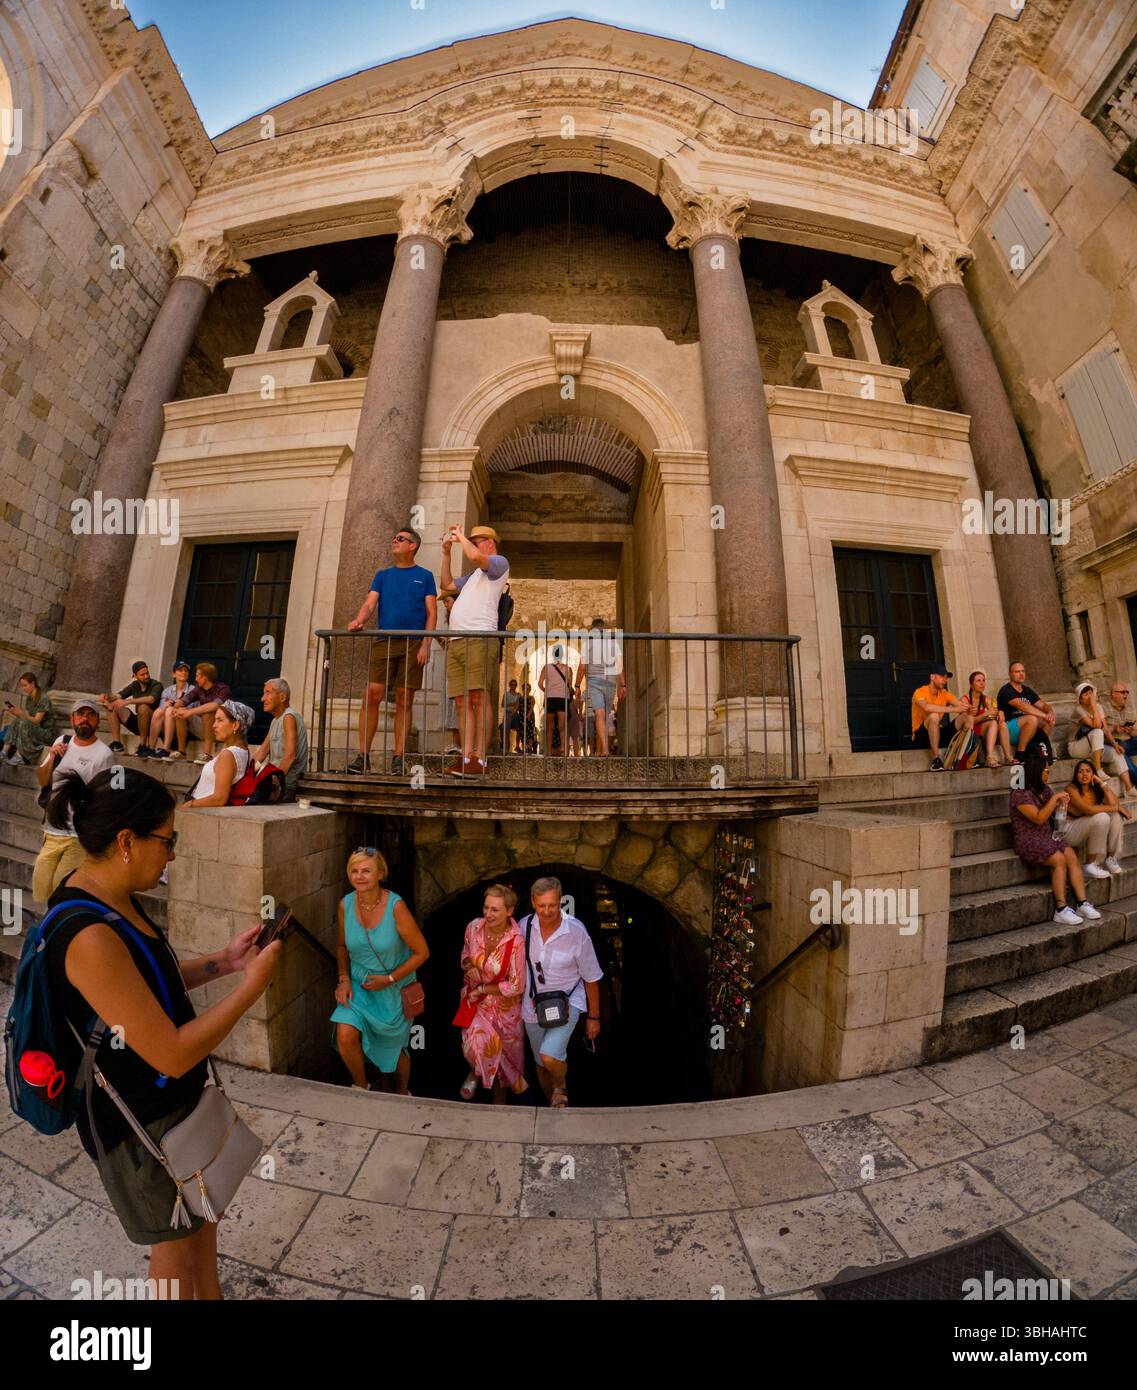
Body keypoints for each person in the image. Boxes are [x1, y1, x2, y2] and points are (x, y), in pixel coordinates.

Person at [43, 766, 279, 1296]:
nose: (172, 854)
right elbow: (170, 1053)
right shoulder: (87, 934)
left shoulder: (112, 894)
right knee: (173, 1256)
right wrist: (251, 991)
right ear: (127, 841)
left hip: (173, 1108)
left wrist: (226, 963)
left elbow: (149, 978)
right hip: (140, 1121)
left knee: (203, 1219)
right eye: (167, 841)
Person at [332, 846, 428, 1094]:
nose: (359, 876)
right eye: (354, 871)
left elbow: (422, 952)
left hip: (393, 989)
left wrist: (389, 978)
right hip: (359, 986)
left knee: (395, 1054)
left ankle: (402, 1092)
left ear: (380, 874)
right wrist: (344, 979)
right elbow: (342, 946)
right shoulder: (346, 904)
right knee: (345, 1033)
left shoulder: (396, 906)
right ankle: (361, 1086)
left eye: (366, 871)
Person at [346, 526, 437, 775]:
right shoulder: (382, 575)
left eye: (400, 539)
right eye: (393, 538)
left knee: (404, 699)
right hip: (383, 641)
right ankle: (363, 756)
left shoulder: (425, 576)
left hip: (413, 642)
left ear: (412, 546)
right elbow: (369, 602)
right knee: (371, 695)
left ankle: (399, 757)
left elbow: (432, 613)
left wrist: (426, 644)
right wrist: (359, 619)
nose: (394, 541)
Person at [520, 876, 603, 1109]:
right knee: (539, 1063)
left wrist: (593, 1018)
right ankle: (553, 1104)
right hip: (532, 1004)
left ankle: (560, 1085)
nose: (547, 911)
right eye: (541, 905)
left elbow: (592, 977)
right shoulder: (523, 926)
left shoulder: (576, 931)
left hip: (567, 1001)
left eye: (552, 905)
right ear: (533, 902)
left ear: (561, 901)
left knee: (549, 1056)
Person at [440, 524, 510, 776]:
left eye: (476, 540)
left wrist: (459, 536)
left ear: (490, 543)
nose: (470, 544)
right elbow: (446, 585)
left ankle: (479, 758)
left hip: (480, 638)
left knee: (480, 697)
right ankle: (466, 755)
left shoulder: (499, 563)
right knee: (461, 701)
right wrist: (446, 554)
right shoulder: (472, 577)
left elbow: (473, 556)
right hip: (458, 641)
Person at [31, 698, 115, 902]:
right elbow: (42, 779)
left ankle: (53, 931)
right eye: (80, 714)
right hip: (51, 832)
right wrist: (52, 757)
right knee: (41, 891)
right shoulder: (62, 742)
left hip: (77, 836)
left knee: (60, 894)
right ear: (72, 719)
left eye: (90, 715)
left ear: (97, 721)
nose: (84, 719)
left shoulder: (105, 754)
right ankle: (47, 930)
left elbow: (108, 795)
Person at [1008, 752, 1103, 927]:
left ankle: (1082, 903)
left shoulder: (1044, 790)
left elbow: (1053, 817)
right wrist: (1054, 800)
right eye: (1045, 770)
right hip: (1028, 840)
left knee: (1071, 856)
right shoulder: (1020, 794)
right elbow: (1038, 817)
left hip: (1047, 836)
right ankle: (1061, 908)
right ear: (1035, 771)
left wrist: (1062, 806)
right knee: (1059, 860)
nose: (1047, 773)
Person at [457, 884, 528, 1104]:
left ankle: (500, 1106)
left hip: (506, 1010)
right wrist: (468, 965)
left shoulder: (516, 941)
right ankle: (476, 1071)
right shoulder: (473, 927)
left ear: (509, 911)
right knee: (475, 1045)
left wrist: (485, 988)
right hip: (475, 1001)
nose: (488, 914)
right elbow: (465, 953)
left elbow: (517, 985)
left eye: (495, 910)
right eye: (486, 908)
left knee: (504, 1063)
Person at [1068, 680, 1137, 798]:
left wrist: (1115, 745)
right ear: (1080, 699)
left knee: (1117, 752)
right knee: (1097, 732)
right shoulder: (1079, 709)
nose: (1090, 696)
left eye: (1091, 693)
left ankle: (1129, 788)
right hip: (1076, 747)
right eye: (1086, 694)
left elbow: (1105, 728)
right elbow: (1096, 726)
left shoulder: (1099, 707)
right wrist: (1094, 706)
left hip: (1094, 748)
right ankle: (1098, 769)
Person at [183, 701, 254, 809]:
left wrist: (189, 805)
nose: (214, 725)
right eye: (215, 720)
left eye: (220, 720)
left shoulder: (228, 755)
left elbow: (220, 798)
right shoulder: (242, 750)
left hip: (202, 813)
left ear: (235, 725)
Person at [1065, 759, 1129, 877]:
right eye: (1080, 772)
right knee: (1103, 817)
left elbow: (1113, 803)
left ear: (1093, 774)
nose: (1084, 774)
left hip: (1085, 830)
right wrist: (1117, 808)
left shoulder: (1095, 791)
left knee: (1116, 815)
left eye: (1088, 771)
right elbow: (1088, 810)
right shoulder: (1071, 789)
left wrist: (1102, 783)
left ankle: (1110, 858)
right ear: (1076, 775)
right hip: (1069, 831)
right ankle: (1089, 865)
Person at [575, 619, 625, 758]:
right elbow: (619, 665)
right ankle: (602, 750)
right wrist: (623, 685)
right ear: (604, 629)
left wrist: (577, 685)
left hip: (594, 681)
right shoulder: (614, 643)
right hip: (610, 682)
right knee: (603, 717)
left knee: (599, 714)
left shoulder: (588, 643)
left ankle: (604, 751)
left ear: (593, 630)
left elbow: (582, 667)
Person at [251, 678, 308, 799]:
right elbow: (261, 753)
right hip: (276, 780)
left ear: (282, 697)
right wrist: (244, 773)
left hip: (285, 785)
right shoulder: (275, 720)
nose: (262, 699)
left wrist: (274, 783)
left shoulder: (289, 717)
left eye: (268, 693)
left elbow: (290, 756)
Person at [168, 663, 231, 763]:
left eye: (197, 675)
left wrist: (190, 712)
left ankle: (207, 754)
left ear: (205, 678)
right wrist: (175, 707)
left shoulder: (223, 689)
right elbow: (184, 700)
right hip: (203, 728)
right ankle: (182, 752)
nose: (195, 678)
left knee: (208, 714)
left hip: (220, 730)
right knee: (181, 714)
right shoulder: (199, 689)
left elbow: (214, 705)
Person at [910, 662, 968, 771]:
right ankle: (936, 759)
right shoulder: (919, 692)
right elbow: (926, 707)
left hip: (937, 734)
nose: (945, 680)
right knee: (934, 716)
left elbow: (960, 705)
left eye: (946, 678)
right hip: (921, 737)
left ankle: (965, 755)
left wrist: (968, 707)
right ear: (932, 677)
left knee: (965, 717)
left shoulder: (944, 693)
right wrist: (953, 709)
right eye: (942, 677)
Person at [99, 660, 163, 757]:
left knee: (143, 707)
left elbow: (151, 700)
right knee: (112, 706)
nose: (146, 676)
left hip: (153, 725)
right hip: (139, 723)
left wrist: (128, 701)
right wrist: (106, 697)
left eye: (147, 673)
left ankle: (142, 745)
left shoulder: (156, 685)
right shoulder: (134, 685)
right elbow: (118, 696)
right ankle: (117, 744)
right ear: (135, 676)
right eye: (142, 675)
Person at [996, 661, 1056, 763]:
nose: (1021, 674)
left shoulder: (1027, 690)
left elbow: (1043, 705)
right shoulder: (1006, 690)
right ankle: (1020, 754)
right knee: (1032, 719)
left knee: (1049, 721)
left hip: (1027, 727)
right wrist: (1043, 715)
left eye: (1023, 671)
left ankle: (1036, 750)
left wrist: (1050, 712)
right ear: (1010, 674)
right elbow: (1023, 706)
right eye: (1017, 672)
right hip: (1009, 728)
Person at [954, 670, 1012, 769]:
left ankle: (1008, 757)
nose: (982, 683)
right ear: (971, 684)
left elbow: (993, 716)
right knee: (993, 723)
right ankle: (989, 757)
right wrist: (985, 714)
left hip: (985, 729)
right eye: (978, 681)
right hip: (970, 731)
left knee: (1001, 724)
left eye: (983, 680)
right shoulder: (964, 700)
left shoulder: (987, 699)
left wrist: (999, 713)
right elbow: (968, 722)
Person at [2, 671, 56, 764]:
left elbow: (36, 721)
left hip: (45, 733)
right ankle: (4, 752)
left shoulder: (43, 698)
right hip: (34, 728)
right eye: (22, 686)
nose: (23, 688)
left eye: (25, 685)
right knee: (17, 720)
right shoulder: (29, 698)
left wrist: (23, 715)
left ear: (33, 683)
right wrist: (17, 713)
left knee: (24, 722)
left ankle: (20, 755)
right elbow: (26, 716)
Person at [150, 660, 193, 758]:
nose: (183, 672)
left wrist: (174, 706)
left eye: (186, 670)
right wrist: (166, 706)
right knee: (158, 711)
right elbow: (161, 711)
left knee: (170, 710)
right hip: (167, 723)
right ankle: (151, 748)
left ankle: (165, 749)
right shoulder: (167, 691)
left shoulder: (192, 690)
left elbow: (190, 710)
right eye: (180, 670)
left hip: (186, 723)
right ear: (173, 674)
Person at [539, 645, 573, 757]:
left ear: (552, 654)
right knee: (562, 725)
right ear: (562, 655)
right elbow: (569, 686)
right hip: (562, 698)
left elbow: (540, 684)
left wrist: (546, 691)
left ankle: (548, 752)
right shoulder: (568, 669)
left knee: (549, 726)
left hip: (550, 698)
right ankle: (563, 747)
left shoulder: (546, 667)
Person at [1106, 680, 1137, 782]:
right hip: (1115, 742)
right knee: (1125, 760)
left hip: (1130, 742)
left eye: (1126, 692)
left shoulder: (1130, 709)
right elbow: (1100, 730)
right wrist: (1115, 728)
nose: (1126, 694)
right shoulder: (1104, 708)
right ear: (1113, 694)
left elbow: (1136, 732)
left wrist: (1131, 731)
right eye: (1123, 692)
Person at [502, 678, 521, 753]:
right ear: (510, 685)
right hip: (507, 713)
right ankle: (507, 747)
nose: (513, 686)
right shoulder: (506, 694)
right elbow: (503, 704)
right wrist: (514, 703)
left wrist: (515, 705)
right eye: (512, 684)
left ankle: (517, 746)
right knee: (506, 730)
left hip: (515, 713)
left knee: (519, 729)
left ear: (516, 686)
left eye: (514, 685)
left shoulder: (518, 695)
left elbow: (519, 705)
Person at [567, 687, 585, 757]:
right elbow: (579, 707)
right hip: (575, 720)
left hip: (567, 720)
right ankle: (576, 755)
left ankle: (566, 755)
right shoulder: (575, 701)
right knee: (575, 739)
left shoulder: (565, 702)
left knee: (566, 739)